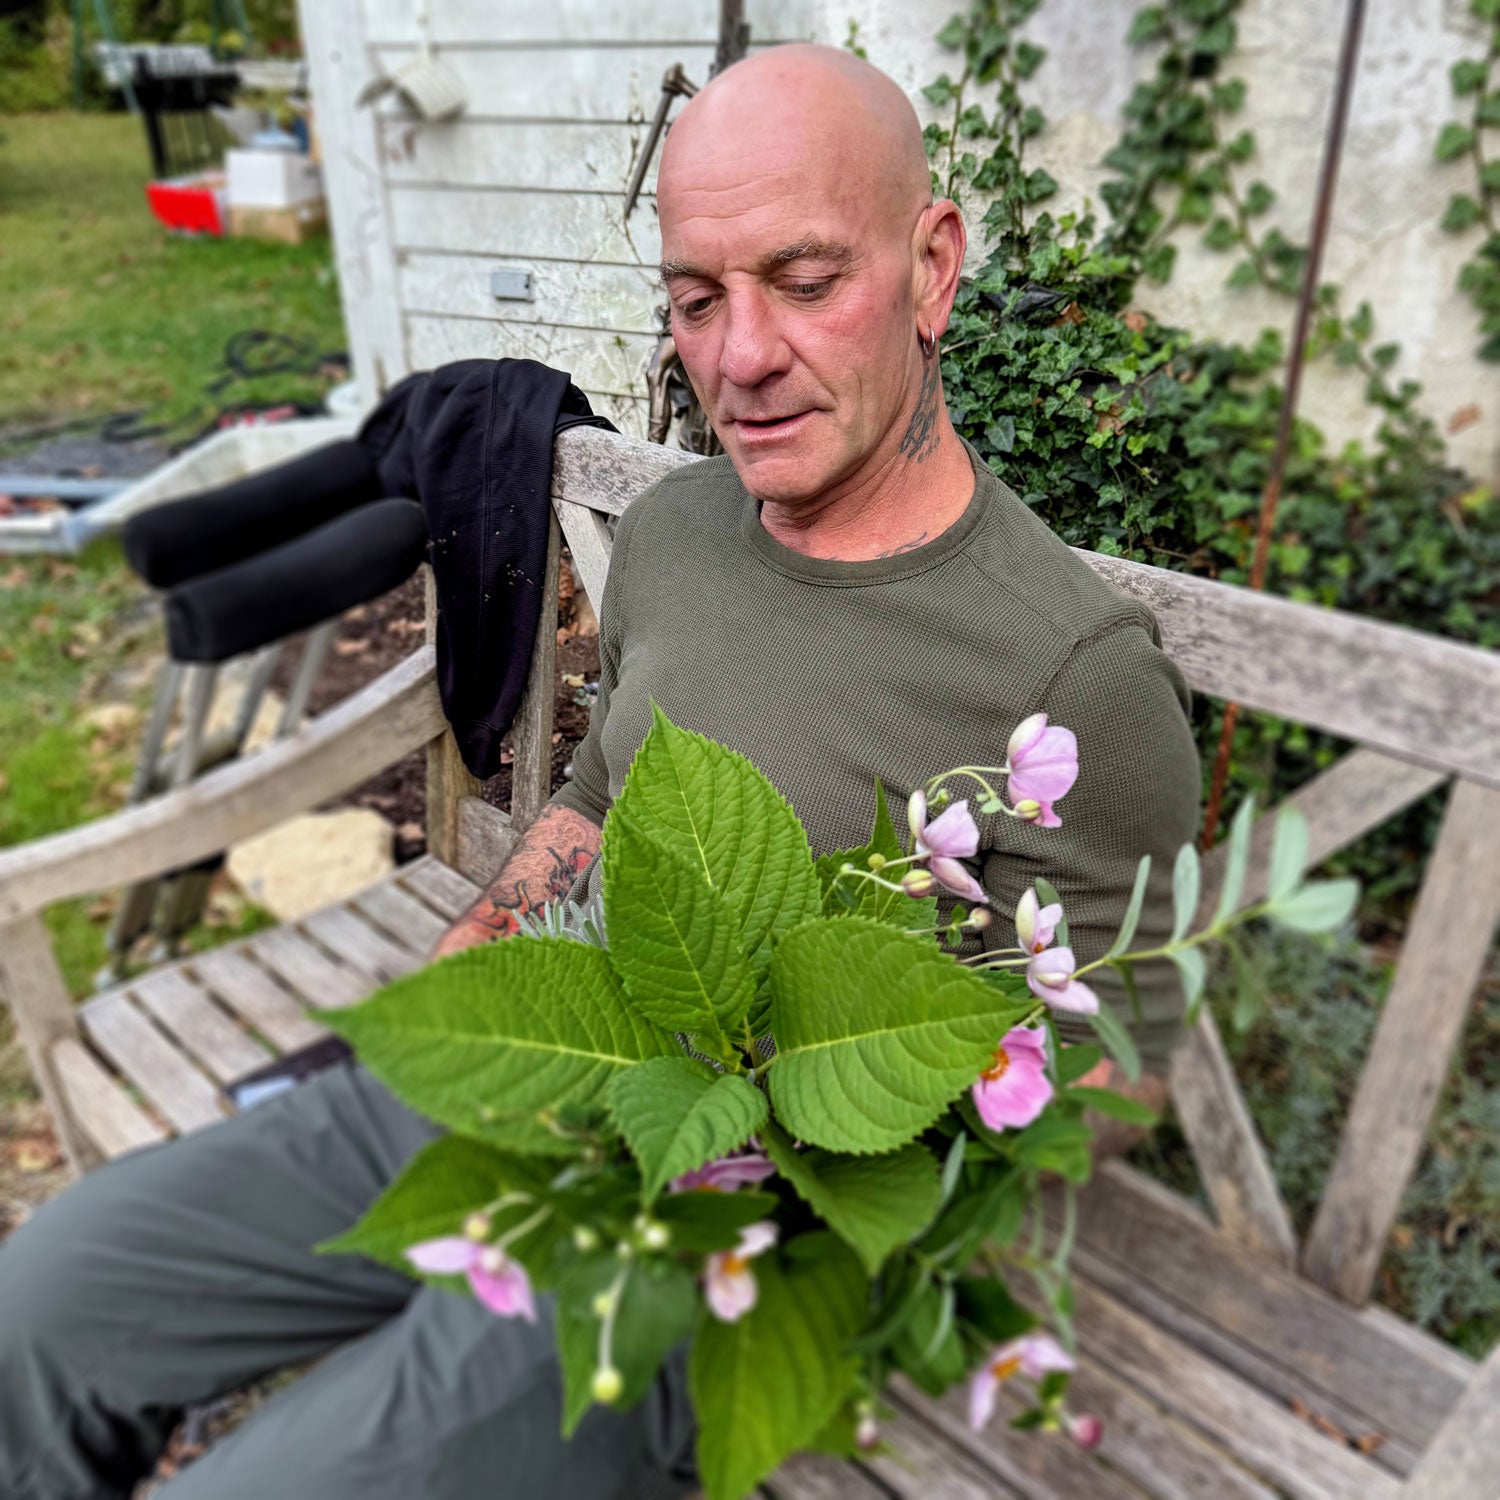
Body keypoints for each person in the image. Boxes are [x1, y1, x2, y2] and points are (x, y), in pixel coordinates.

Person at [0, 44, 1198, 1500]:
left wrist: (811, 1129)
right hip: (535, 1072)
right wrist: (484, 959)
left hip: (717, 1243)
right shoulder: (688, 532)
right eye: (697, 299)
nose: (738, 356)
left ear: (933, 265)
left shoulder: (1073, 683)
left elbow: (1092, 1097)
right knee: (42, 1303)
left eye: (806, 282)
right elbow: (597, 794)